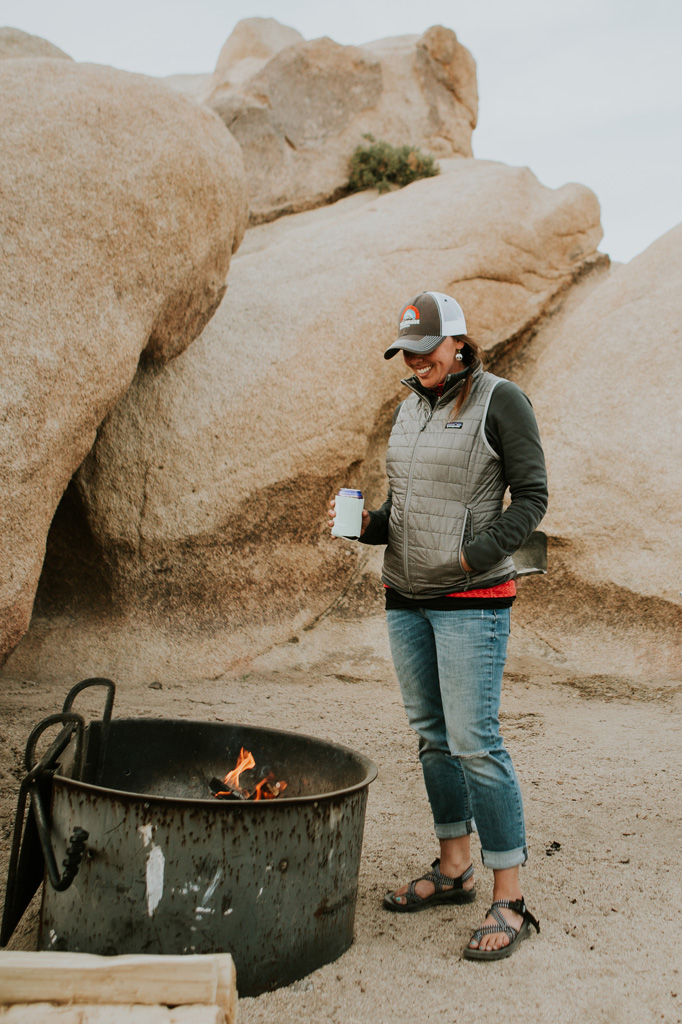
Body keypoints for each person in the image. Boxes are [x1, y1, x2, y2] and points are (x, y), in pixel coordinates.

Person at [327, 291, 547, 960]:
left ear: (458, 343)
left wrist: (470, 556)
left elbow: (532, 498)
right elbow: (406, 507)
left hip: (471, 596)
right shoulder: (409, 409)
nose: (417, 359)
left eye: (427, 348)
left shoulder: (499, 400)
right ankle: (454, 866)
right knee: (432, 738)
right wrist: (367, 526)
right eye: (408, 350)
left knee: (475, 741)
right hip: (405, 593)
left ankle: (507, 896)